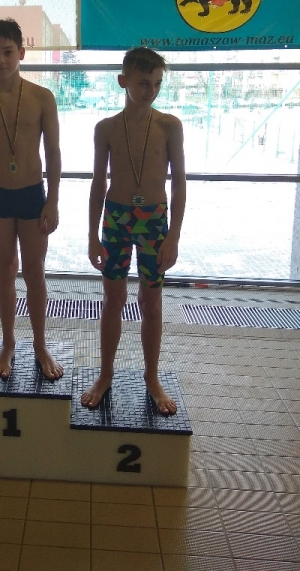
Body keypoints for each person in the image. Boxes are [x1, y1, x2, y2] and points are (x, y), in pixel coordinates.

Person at [81, 47, 186, 415]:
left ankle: (151, 377)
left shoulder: (169, 126)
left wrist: (173, 236)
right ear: (123, 81)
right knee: (113, 300)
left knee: (151, 302)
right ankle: (105, 373)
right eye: (143, 83)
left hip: (155, 220)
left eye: (157, 84)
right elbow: (98, 183)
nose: (150, 91)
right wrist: (92, 235)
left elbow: (180, 184)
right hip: (116, 218)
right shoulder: (106, 129)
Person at [0, 18, 63, 380]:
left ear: (21, 53)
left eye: (8, 52)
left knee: (34, 272)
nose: (1, 60)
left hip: (31, 194)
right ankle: (8, 343)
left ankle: (40, 344)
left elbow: (53, 153)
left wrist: (52, 201)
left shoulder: (42, 98)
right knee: (5, 269)